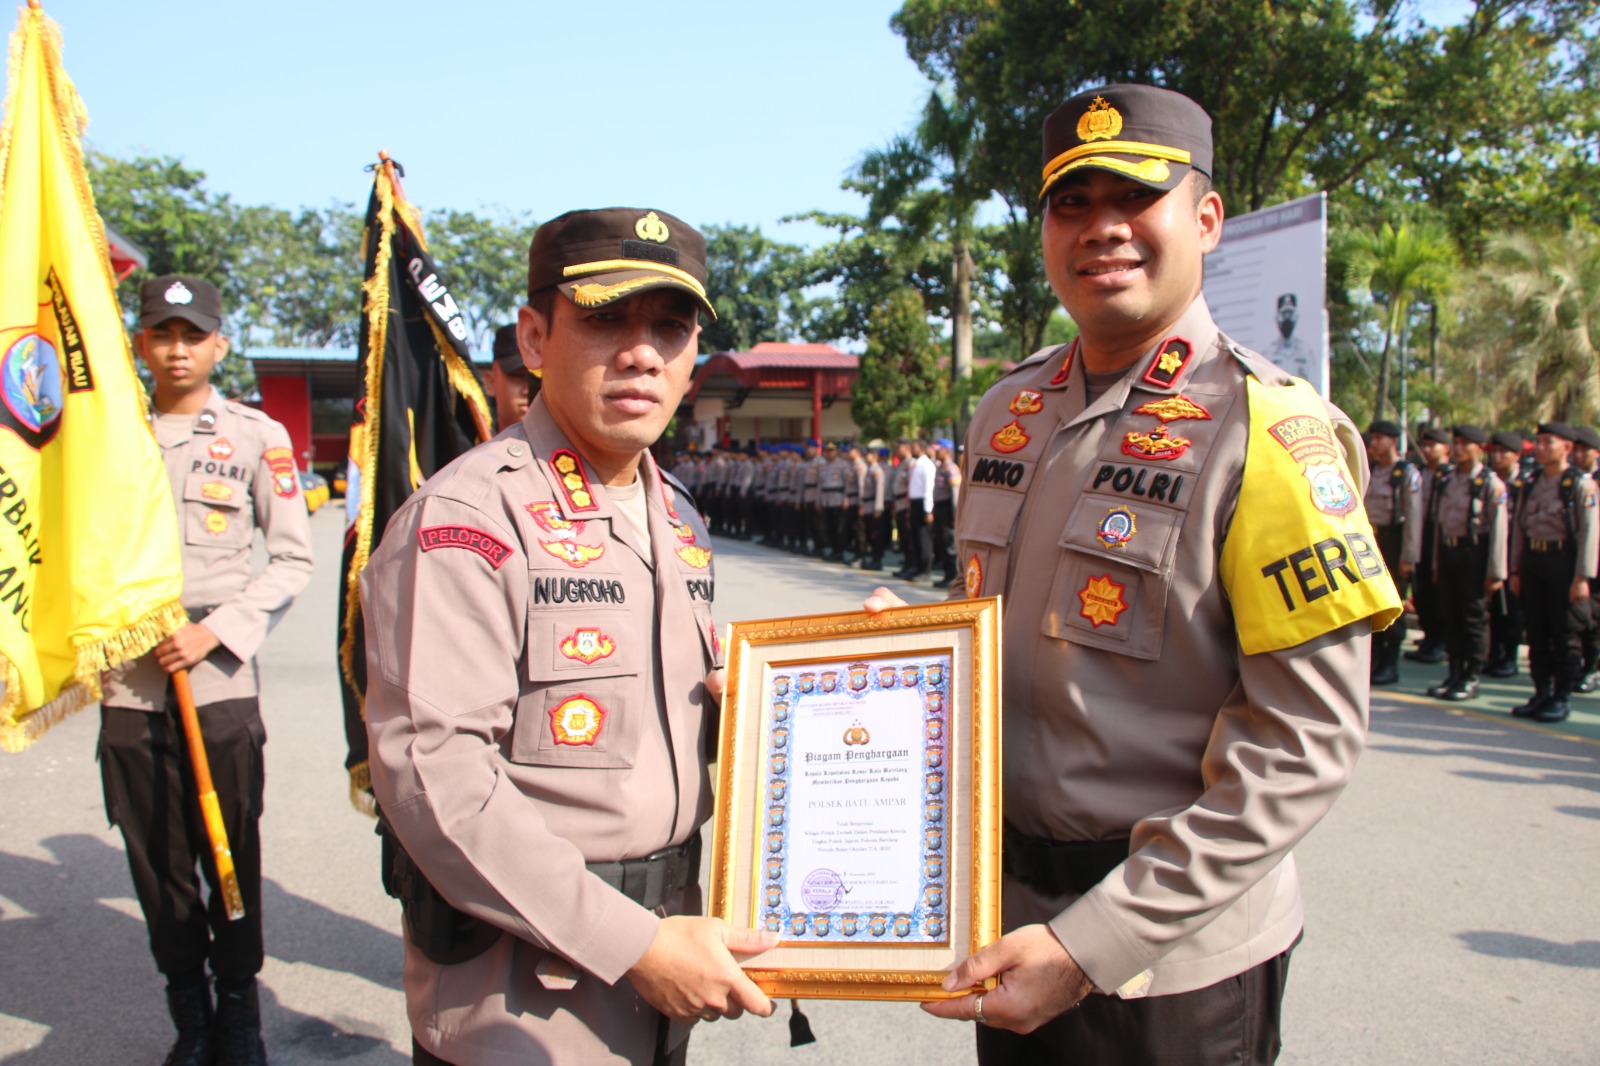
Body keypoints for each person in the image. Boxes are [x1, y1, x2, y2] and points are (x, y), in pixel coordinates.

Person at [870, 84, 1399, 1064]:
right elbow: (986, 625)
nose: (1101, 229)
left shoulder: (1270, 430)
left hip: (1168, 959)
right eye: (1072, 204)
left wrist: (1092, 945)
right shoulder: (1008, 410)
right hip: (1010, 923)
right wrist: (882, 658)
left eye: (1134, 198)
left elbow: (1304, 740)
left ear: (1205, 219)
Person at [361, 209, 777, 1066]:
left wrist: (843, 684)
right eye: (604, 318)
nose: (641, 353)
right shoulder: (467, 518)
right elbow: (435, 782)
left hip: (668, 953)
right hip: (528, 991)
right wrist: (632, 945)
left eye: (670, 325)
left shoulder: (677, 515)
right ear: (535, 335)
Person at [99, 275, 315, 1066]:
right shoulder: (106, 435)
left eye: (193, 335)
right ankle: (188, 1016)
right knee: (156, 859)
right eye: (163, 334)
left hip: (218, 679)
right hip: (128, 678)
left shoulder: (257, 436)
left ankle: (240, 1015)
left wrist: (217, 631)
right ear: (142, 343)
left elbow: (292, 557)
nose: (178, 349)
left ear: (219, 344)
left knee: (230, 849)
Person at [1508, 423, 1596, 722]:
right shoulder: (1531, 482)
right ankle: (1541, 691)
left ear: (1567, 448)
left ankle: (1562, 695)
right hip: (1533, 560)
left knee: (1564, 634)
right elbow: (1519, 527)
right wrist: (1516, 568)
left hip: (1563, 563)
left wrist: (1582, 576)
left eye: (1549, 442)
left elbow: (1589, 534)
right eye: (1539, 442)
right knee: (1537, 631)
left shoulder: (1580, 485)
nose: (1541, 447)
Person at [1425, 425, 1508, 701]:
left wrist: (1496, 572)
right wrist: (1436, 563)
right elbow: (1439, 525)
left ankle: (1471, 676)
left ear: (1479, 448)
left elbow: (1499, 531)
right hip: (1449, 553)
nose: (1458, 448)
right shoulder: (1447, 479)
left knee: (1473, 619)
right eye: (1456, 443)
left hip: (1474, 556)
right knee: (1450, 616)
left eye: (1465, 444)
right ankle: (1454, 672)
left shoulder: (1489, 483)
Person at [1365, 419, 1421, 685]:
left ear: (1393, 441)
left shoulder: (1406, 474)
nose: (1373, 443)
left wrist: (1409, 557)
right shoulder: (1372, 469)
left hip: (1394, 541)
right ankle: (1374, 659)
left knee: (1394, 601)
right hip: (1371, 539)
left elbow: (1413, 518)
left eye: (1379, 438)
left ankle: (1390, 661)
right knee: (1371, 600)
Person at [1405, 425, 1454, 664]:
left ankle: (1440, 641)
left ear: (1445, 449)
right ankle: (1429, 637)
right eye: (1424, 445)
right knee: (1421, 589)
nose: (1426, 449)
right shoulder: (1418, 473)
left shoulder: (1450, 475)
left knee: (1439, 593)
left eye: (1432, 445)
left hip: (1440, 534)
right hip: (1419, 532)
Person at [1486, 430, 1530, 677]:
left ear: (1517, 456)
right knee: (1492, 608)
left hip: (1516, 551)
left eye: (1504, 452)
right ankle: (1493, 654)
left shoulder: (1524, 483)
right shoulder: (1489, 481)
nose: (1498, 456)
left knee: (1511, 609)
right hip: (1493, 549)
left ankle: (1509, 657)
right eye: (1495, 452)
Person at [485, 323, 538, 431]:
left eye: (538, 379)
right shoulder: (468, 446)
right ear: (490, 383)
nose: (528, 390)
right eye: (518, 375)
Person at [1264, 293, 1313, 381]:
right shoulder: (1268, 353)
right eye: (1284, 313)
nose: (1287, 317)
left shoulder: (1306, 352)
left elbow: (1315, 384)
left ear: (1296, 317)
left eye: (1290, 313)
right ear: (1277, 318)